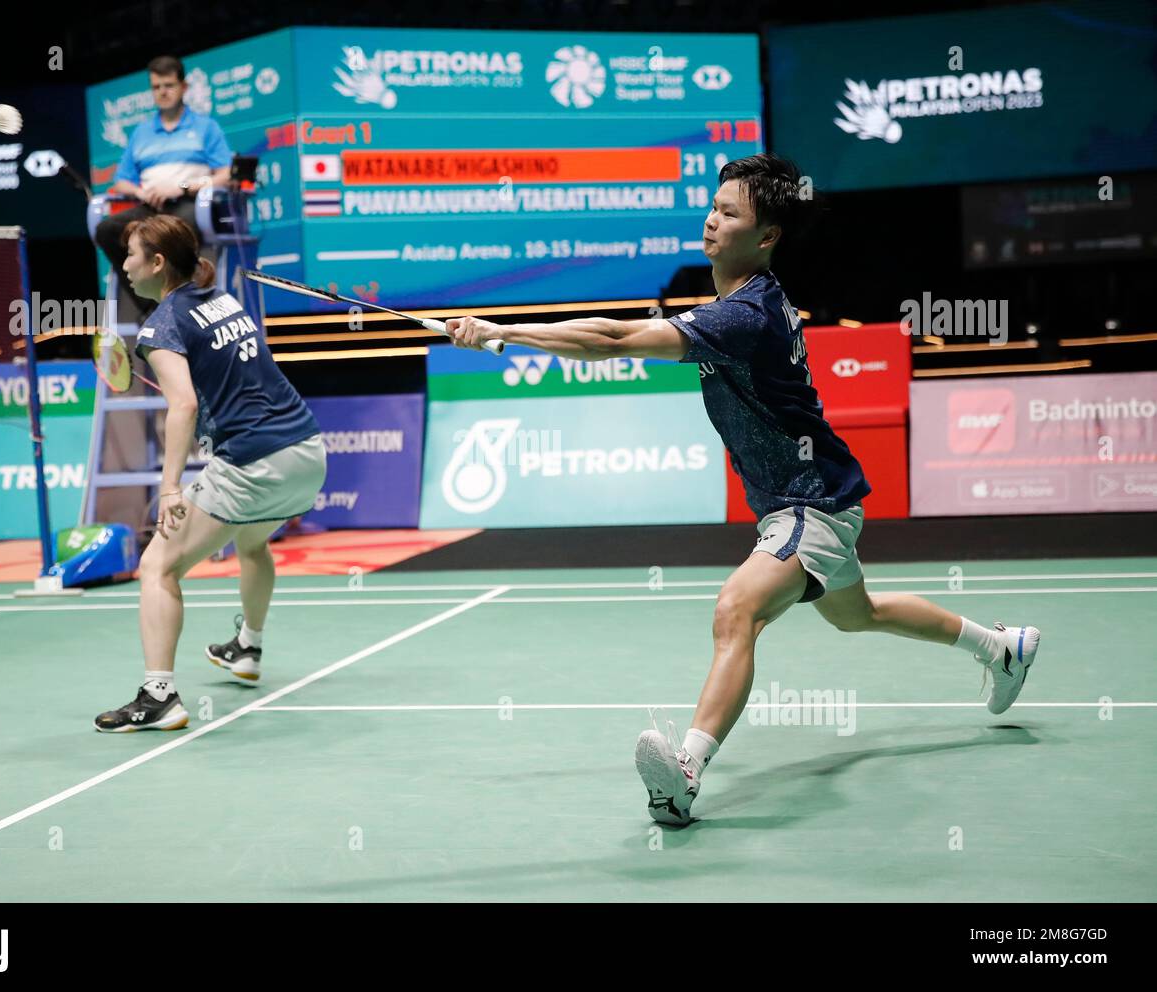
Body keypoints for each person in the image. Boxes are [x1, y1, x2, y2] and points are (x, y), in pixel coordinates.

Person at [445, 153, 1041, 825]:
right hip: (822, 497)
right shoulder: (739, 307)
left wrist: (503, 330)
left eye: (731, 213)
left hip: (807, 503)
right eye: (714, 205)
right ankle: (1002, 648)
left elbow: (614, 339)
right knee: (858, 614)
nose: (711, 220)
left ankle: (687, 774)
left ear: (766, 237)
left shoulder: (744, 317)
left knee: (737, 610)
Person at [94, 215, 325, 732]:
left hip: (253, 466)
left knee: (158, 567)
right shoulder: (219, 297)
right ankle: (248, 647)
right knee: (250, 543)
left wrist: (170, 486)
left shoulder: (161, 326)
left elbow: (184, 405)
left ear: (157, 263)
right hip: (307, 453)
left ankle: (159, 697)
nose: (125, 266)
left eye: (131, 255)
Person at [94, 55, 233, 317]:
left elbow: (225, 175)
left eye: (168, 85)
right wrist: (139, 191)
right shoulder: (141, 132)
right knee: (107, 229)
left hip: (189, 205)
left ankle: (187, 307)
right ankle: (152, 310)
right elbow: (122, 181)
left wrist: (182, 187)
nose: (163, 92)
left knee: (173, 233)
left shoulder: (205, 127)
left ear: (184, 87)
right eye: (156, 87)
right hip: (150, 207)